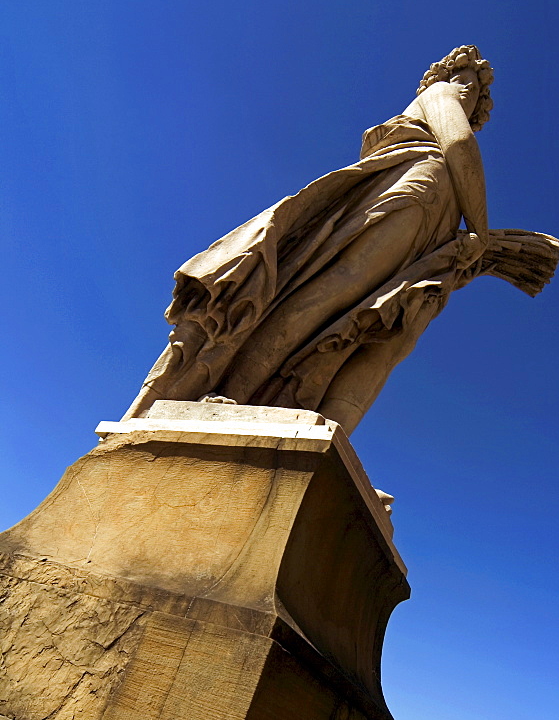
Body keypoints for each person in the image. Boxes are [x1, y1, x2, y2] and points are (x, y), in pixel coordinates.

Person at [125, 47, 499, 433]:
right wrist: (481, 233)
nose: (465, 91)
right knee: (332, 291)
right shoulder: (439, 95)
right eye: (462, 81)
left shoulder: (451, 145)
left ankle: (327, 437)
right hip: (419, 188)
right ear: (443, 78)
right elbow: (458, 144)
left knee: (375, 330)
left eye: (472, 90)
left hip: (435, 216)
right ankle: (234, 394)